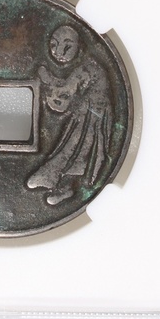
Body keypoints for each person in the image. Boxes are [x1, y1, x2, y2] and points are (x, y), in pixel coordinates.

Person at [26, 25, 113, 205]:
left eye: (67, 46)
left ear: (80, 47)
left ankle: (58, 182)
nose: (59, 53)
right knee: (73, 147)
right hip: (84, 112)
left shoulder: (88, 68)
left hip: (92, 115)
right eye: (53, 45)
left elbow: (66, 90)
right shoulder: (82, 68)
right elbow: (66, 88)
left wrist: (46, 77)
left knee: (76, 147)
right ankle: (63, 186)